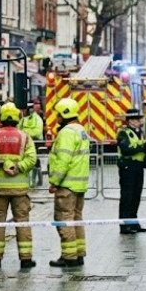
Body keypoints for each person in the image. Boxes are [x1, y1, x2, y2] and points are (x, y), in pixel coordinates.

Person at [0, 102, 38, 270]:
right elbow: (32, 159)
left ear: (1, 118)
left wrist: (2, 164)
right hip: (20, 190)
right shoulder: (25, 137)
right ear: (17, 117)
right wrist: (18, 167)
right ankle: (25, 259)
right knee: (22, 223)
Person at [48, 97, 90, 267]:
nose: (56, 118)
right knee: (77, 219)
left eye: (58, 114)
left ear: (65, 114)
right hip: (79, 185)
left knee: (64, 220)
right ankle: (79, 254)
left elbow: (63, 160)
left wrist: (54, 181)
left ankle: (69, 257)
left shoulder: (66, 133)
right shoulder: (81, 130)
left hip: (67, 185)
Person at [116, 109, 146, 234]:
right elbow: (126, 149)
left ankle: (133, 222)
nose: (140, 121)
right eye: (138, 119)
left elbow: (144, 147)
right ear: (130, 121)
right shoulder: (123, 133)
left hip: (138, 167)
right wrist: (142, 147)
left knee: (136, 196)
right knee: (127, 196)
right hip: (128, 168)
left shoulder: (139, 133)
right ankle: (125, 225)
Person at [19, 102, 44, 186]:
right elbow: (18, 130)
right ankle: (31, 181)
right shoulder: (23, 119)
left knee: (35, 162)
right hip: (26, 143)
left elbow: (37, 132)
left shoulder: (37, 119)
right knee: (30, 162)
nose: (23, 111)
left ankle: (37, 181)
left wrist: (24, 133)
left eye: (24, 110)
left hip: (36, 144)